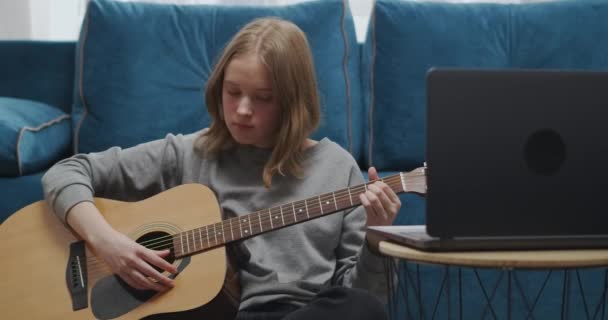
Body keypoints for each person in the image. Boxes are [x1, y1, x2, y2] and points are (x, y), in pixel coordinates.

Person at [42, 17, 401, 320]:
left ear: (292, 103)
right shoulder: (188, 153)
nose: (243, 110)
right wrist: (107, 243)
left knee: (359, 308)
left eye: (263, 98)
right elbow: (67, 172)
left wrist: (376, 237)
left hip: (304, 311)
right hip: (216, 311)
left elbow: (368, 296)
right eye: (233, 92)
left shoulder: (338, 167)